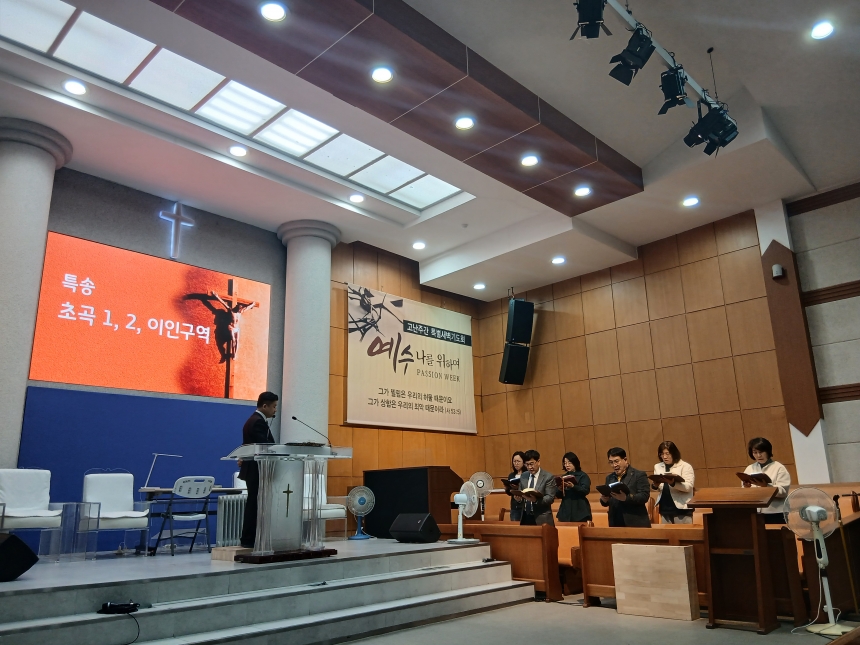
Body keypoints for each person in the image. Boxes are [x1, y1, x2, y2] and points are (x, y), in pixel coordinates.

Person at [239, 391, 278, 548]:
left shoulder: (254, 420)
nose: (275, 410)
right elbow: (265, 446)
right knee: (254, 505)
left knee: (254, 504)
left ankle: (251, 538)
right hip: (256, 469)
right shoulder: (257, 422)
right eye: (274, 406)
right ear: (265, 406)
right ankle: (249, 539)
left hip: (255, 468)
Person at [742, 437, 791, 524]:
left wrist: (766, 486)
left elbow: (783, 492)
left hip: (776, 511)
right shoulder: (750, 468)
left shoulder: (779, 467)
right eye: (755, 452)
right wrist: (746, 488)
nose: (758, 455)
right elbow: (744, 493)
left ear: (768, 451)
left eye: (761, 452)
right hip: (756, 511)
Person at [599, 447, 651, 528]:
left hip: (635, 522)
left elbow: (644, 496)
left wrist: (626, 498)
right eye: (611, 462)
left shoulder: (639, 475)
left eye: (616, 461)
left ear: (625, 460)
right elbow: (607, 502)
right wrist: (604, 500)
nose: (614, 465)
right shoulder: (609, 478)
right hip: (615, 522)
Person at [651, 441, 695, 524]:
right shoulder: (657, 466)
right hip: (664, 507)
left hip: (681, 508)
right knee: (667, 532)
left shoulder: (685, 466)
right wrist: (655, 485)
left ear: (674, 453)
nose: (664, 457)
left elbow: (688, 487)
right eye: (662, 454)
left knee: (683, 532)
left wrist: (673, 483)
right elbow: (660, 488)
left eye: (667, 454)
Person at [517, 450, 557, 526]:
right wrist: (519, 499)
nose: (529, 467)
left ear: (538, 462)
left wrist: (536, 500)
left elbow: (550, 498)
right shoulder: (524, 476)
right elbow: (521, 492)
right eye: (527, 464)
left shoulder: (548, 477)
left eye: (531, 464)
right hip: (526, 516)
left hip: (542, 517)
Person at [556, 452, 592, 523]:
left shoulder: (583, 476)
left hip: (580, 509)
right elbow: (558, 495)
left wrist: (573, 486)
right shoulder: (563, 477)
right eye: (565, 463)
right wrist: (560, 489)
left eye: (569, 463)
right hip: (565, 509)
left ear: (575, 462)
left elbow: (585, 490)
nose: (567, 465)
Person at [507, 451, 527, 522]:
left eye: (518, 461)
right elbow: (509, 493)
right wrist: (507, 488)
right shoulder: (511, 475)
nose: (516, 463)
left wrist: (518, 487)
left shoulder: (527, 474)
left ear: (523, 462)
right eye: (514, 461)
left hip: (525, 505)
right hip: (514, 506)